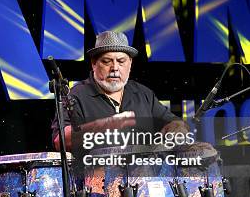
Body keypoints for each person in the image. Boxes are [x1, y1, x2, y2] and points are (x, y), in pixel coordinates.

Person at [51, 30, 188, 151]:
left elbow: (175, 122)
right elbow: (60, 141)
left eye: (121, 61)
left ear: (130, 64)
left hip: (146, 176)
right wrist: (105, 126)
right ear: (94, 63)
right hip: (97, 178)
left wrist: (176, 129)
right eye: (107, 61)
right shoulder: (76, 95)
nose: (115, 68)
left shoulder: (143, 93)